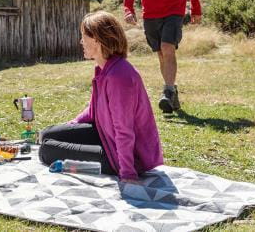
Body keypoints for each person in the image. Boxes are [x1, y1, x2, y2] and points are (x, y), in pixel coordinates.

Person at [38, 11, 163, 183]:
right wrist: (71, 127)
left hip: (123, 157)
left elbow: (124, 129)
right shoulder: (105, 69)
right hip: (105, 135)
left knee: (47, 151)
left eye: (84, 37)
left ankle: (108, 167)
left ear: (97, 39)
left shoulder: (119, 76)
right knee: (46, 135)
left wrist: (127, 173)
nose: (81, 42)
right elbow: (93, 110)